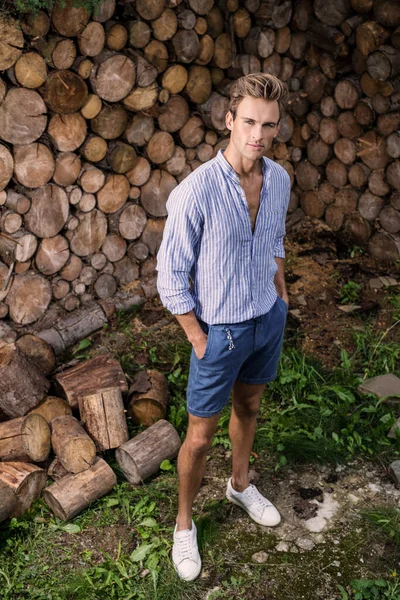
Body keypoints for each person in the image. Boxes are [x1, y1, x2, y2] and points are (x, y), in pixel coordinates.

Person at [156, 72, 291, 581]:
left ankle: (239, 485)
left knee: (250, 405)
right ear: (229, 121)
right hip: (219, 331)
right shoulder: (196, 192)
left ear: (277, 129)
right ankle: (184, 525)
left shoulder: (278, 179)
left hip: (266, 319)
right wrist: (197, 337)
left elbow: (274, 237)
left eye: (268, 125)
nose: (258, 134)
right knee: (198, 435)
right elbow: (169, 276)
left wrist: (281, 292)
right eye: (249, 121)